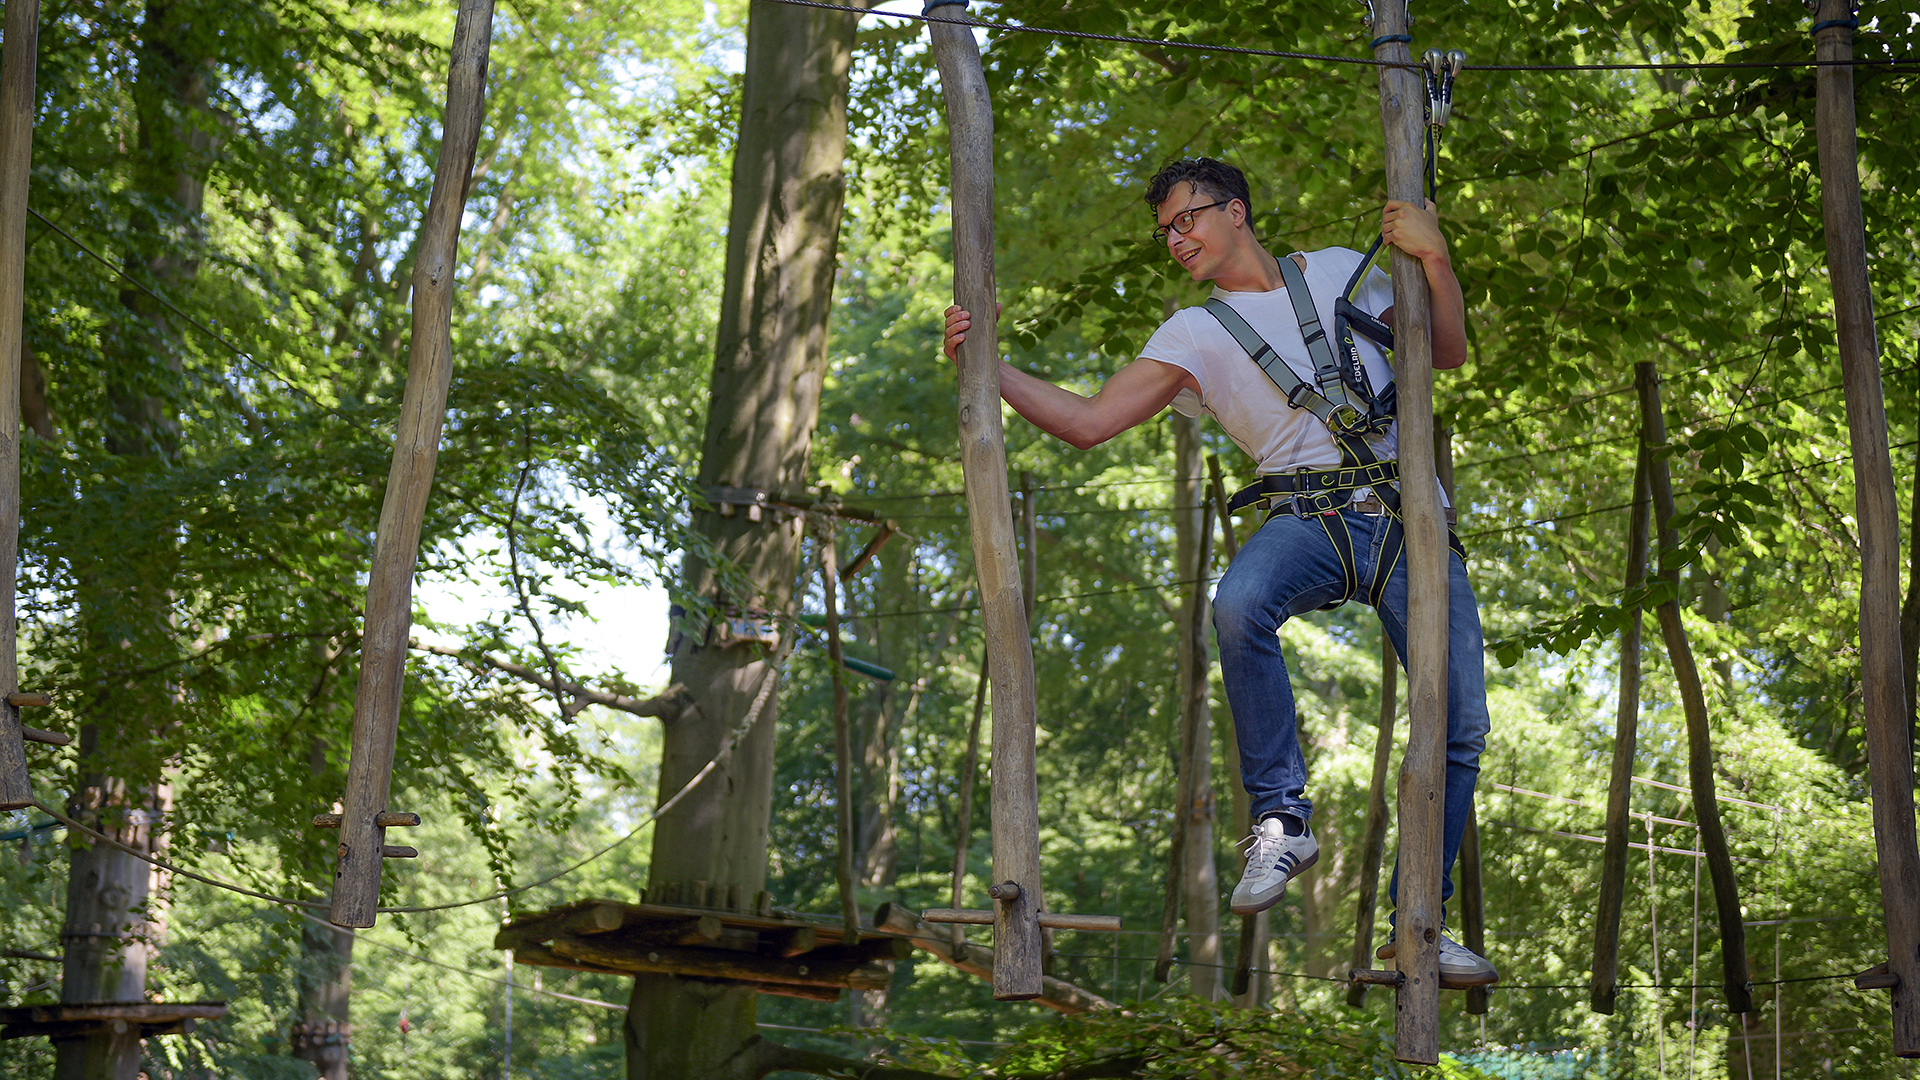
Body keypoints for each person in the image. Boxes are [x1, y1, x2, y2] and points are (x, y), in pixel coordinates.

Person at [941, 157, 1497, 986]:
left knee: (1458, 724)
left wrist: (1436, 258)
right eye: (1164, 230)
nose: (1176, 239)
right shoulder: (1195, 336)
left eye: (1186, 220)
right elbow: (1091, 423)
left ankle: (1417, 926)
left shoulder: (1346, 271)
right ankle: (1281, 817)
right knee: (1237, 605)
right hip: (1305, 520)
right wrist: (988, 365)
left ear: (1235, 209)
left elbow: (1445, 352)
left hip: (1408, 514)